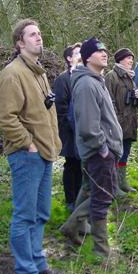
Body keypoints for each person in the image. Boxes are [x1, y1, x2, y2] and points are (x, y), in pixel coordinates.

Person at [0, 19, 63, 274]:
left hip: (45, 153)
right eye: (32, 35)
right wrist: (28, 144)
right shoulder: (13, 74)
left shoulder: (39, 73)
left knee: (41, 212)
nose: (39, 38)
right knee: (24, 215)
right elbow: (3, 117)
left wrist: (51, 144)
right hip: (26, 155)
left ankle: (37, 262)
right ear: (19, 42)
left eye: (40, 33)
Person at [59, 38, 123, 258]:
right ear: (87, 57)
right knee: (104, 195)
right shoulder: (87, 84)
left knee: (89, 189)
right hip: (99, 152)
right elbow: (87, 125)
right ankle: (101, 250)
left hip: (103, 150)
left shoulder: (97, 80)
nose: (104, 53)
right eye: (99, 51)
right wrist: (103, 148)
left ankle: (72, 228)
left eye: (105, 50)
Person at [104, 48, 138, 196]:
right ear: (120, 60)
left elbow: (135, 103)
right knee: (115, 155)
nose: (131, 61)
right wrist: (114, 120)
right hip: (117, 123)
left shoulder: (130, 78)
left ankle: (122, 182)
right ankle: (113, 186)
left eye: (132, 58)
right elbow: (109, 101)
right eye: (128, 58)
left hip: (130, 123)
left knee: (125, 154)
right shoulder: (111, 76)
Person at [53, 43, 83, 213]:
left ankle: (80, 199)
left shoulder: (87, 76)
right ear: (69, 58)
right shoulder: (63, 79)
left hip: (83, 131)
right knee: (71, 165)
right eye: (76, 53)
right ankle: (70, 200)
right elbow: (60, 107)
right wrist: (73, 125)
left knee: (81, 166)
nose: (80, 55)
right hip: (69, 132)